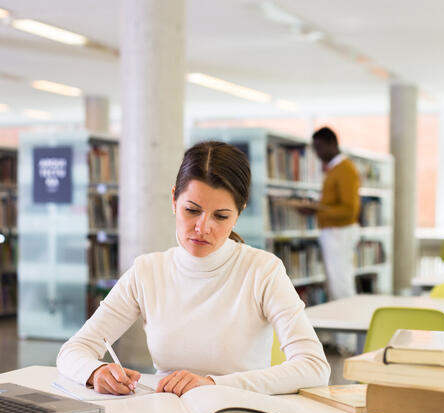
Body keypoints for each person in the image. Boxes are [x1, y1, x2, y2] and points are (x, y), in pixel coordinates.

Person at [57, 141, 330, 396]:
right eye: (192, 210)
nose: (202, 228)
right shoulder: (147, 271)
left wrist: (212, 384)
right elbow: (74, 350)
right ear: (174, 200)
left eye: (221, 216)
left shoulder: (263, 270)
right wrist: (95, 372)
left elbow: (314, 367)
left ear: (239, 213)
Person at [311, 127, 361, 301]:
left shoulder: (344, 169)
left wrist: (317, 211)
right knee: (336, 282)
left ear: (332, 143)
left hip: (339, 231)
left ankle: (345, 327)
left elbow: (349, 210)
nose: (317, 153)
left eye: (319, 147)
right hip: (334, 231)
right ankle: (342, 327)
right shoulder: (334, 169)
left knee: (340, 283)